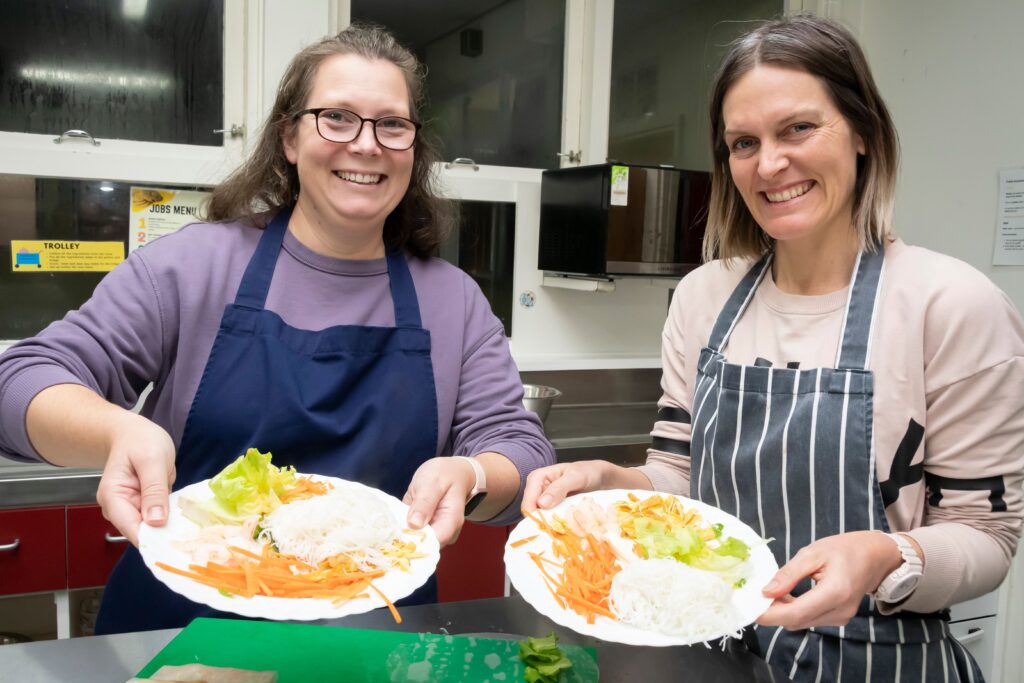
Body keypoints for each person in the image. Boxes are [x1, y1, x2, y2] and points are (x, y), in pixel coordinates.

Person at [0, 24, 554, 634]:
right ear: (289, 137)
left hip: (375, 636)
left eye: (392, 125)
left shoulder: (454, 301)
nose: (366, 144)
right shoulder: (193, 267)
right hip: (182, 631)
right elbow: (19, 380)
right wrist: (117, 431)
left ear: (413, 148)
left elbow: (521, 451)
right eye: (336, 117)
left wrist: (474, 473)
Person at [522, 15, 1023, 682]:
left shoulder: (951, 304)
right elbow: (681, 476)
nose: (769, 164)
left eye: (798, 129)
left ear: (864, 132)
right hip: (712, 656)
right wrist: (613, 481)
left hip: (879, 661)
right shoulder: (704, 296)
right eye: (744, 143)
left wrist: (885, 555)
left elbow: (986, 536)